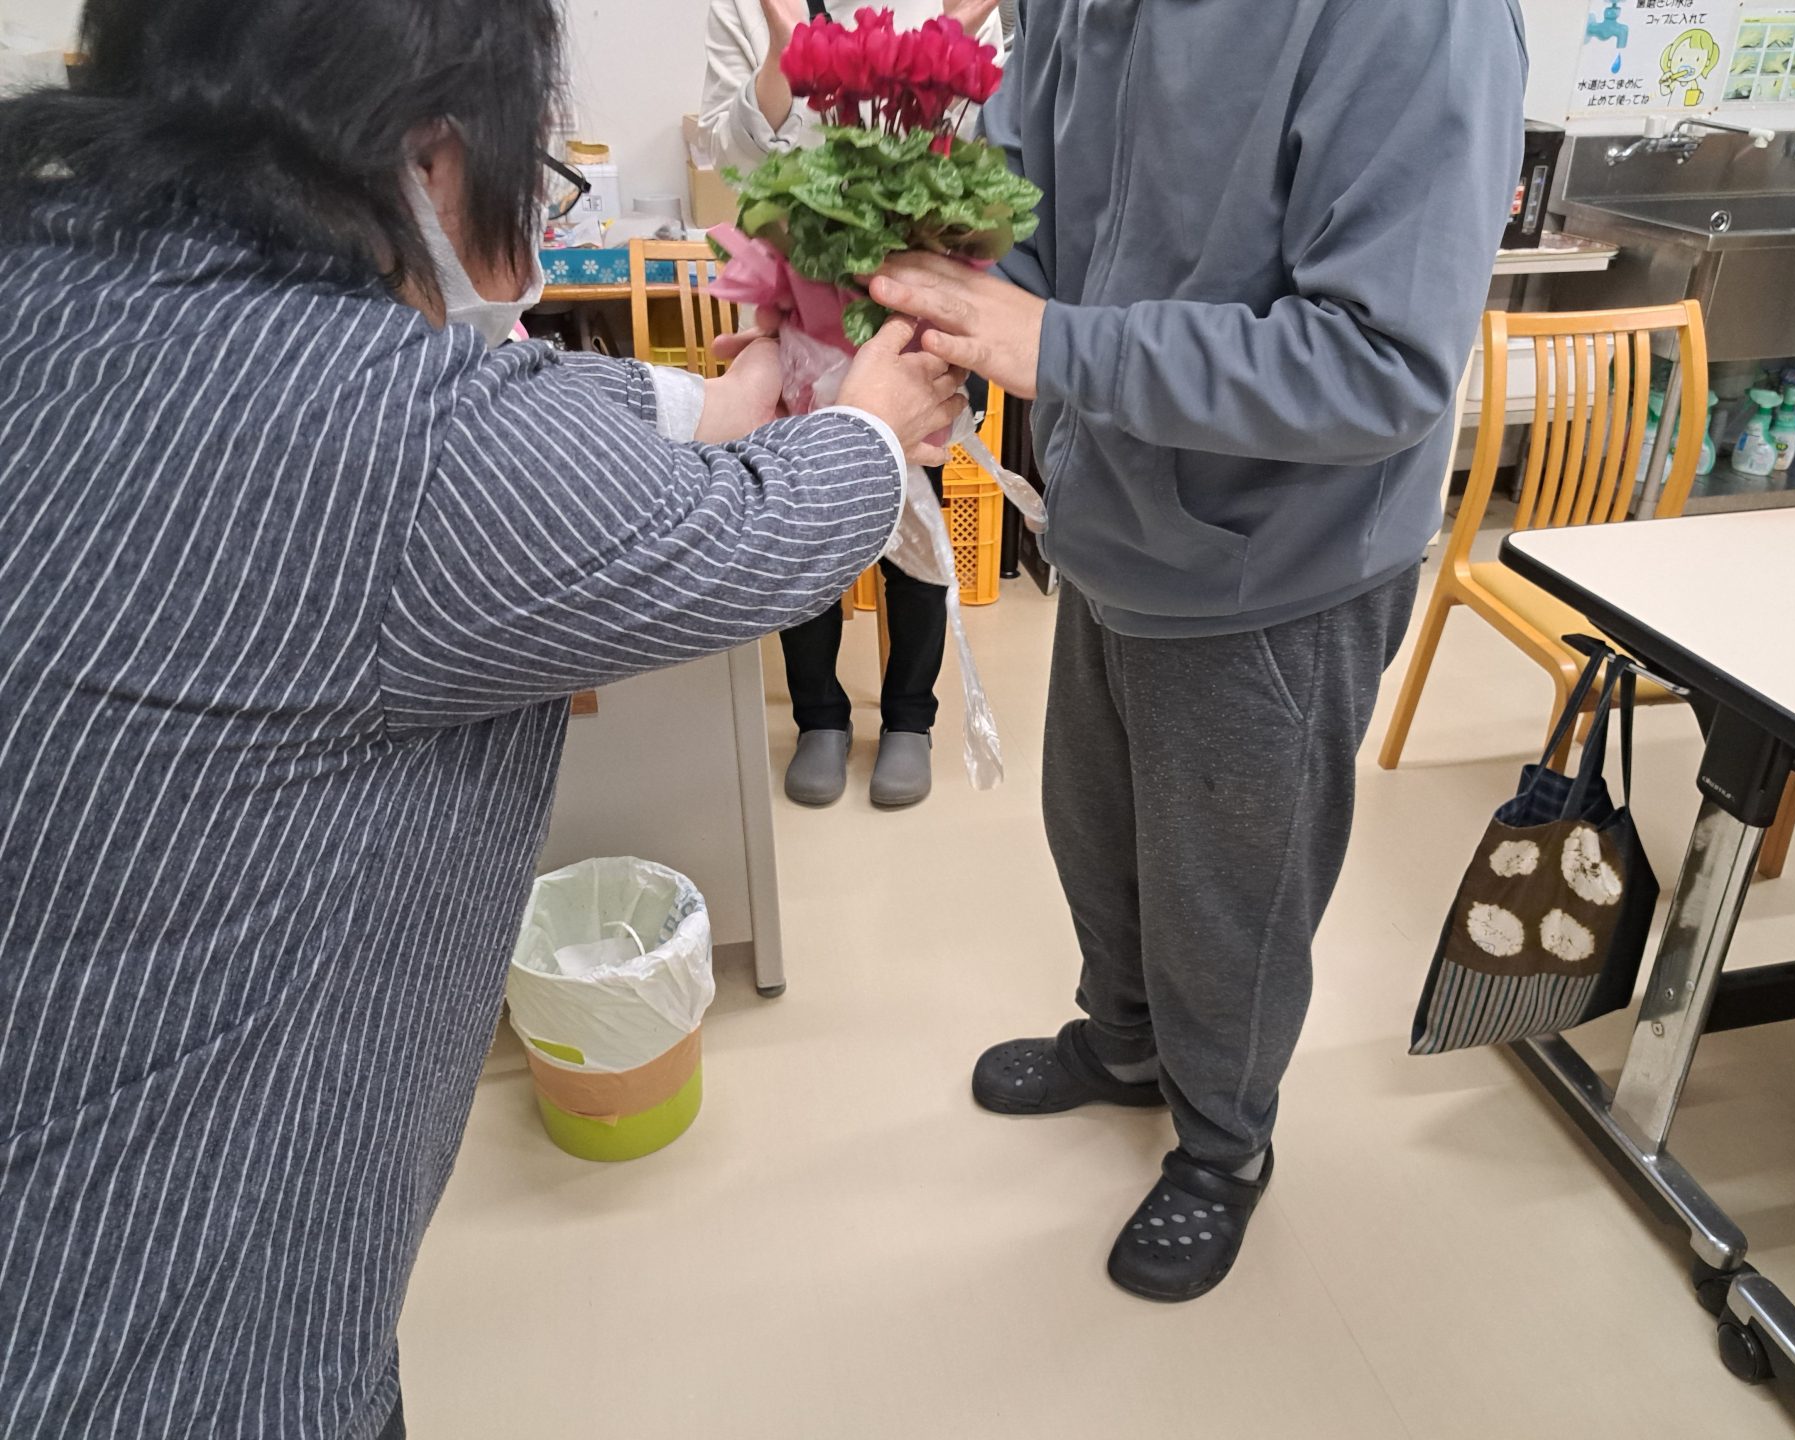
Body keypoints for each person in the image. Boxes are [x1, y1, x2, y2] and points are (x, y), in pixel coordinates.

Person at [0, 2, 967, 1434]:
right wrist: (872, 425)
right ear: (433, 159)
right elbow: (749, 530)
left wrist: (722, 402)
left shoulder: (61, 286)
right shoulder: (391, 433)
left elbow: (524, 412)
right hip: (180, 1345)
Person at [871, 0, 1527, 1301]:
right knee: (1096, 833)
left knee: (1229, 899)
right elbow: (1032, 212)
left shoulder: (1419, 19)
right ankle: (1123, 1042)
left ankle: (1225, 1144)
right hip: (1112, 518)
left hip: (1276, 565)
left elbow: (1383, 361)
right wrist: (927, 286)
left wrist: (1056, 343)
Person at [698, 0, 1003, 810]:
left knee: (917, 529)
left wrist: (957, 37)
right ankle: (820, 719)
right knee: (804, 528)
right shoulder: (744, 7)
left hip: (913, 303)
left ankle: (910, 719)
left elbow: (992, 144)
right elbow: (730, 154)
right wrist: (783, 50)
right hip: (803, 308)